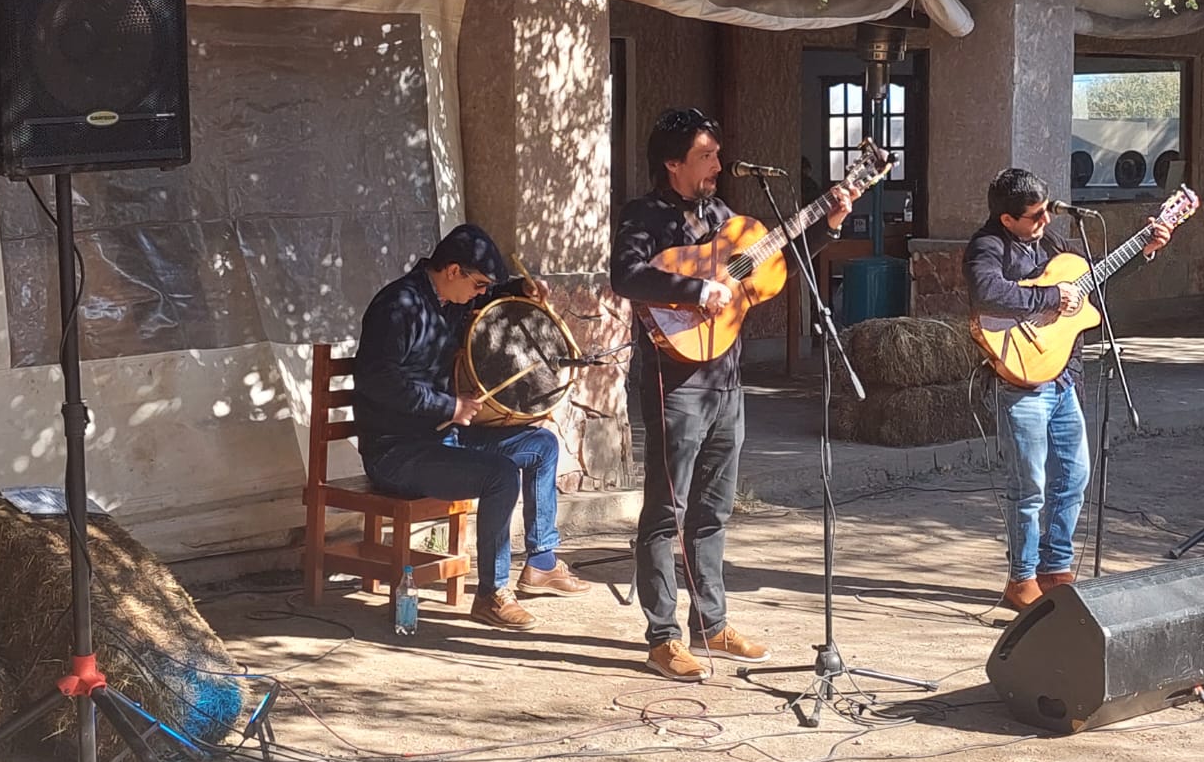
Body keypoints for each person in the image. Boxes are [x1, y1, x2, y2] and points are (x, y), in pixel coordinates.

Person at [610, 108, 856, 681]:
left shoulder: (723, 215)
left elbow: (774, 263)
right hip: (675, 381)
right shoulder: (644, 217)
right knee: (666, 510)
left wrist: (829, 224)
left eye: (718, 154)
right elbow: (625, 277)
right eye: (705, 156)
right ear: (672, 163)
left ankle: (711, 624)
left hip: (727, 378)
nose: (717, 165)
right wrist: (698, 288)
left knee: (714, 507)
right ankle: (663, 637)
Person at [354, 223, 590, 631]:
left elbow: (493, 296)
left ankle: (541, 563)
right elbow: (377, 380)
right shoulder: (399, 307)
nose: (481, 293)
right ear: (452, 271)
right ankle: (491, 595)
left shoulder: (450, 300)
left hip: (440, 439)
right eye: (477, 283)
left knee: (542, 445)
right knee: (498, 476)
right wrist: (448, 404)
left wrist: (520, 289)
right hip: (395, 453)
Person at [963, 168, 1174, 611]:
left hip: (1065, 378)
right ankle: (1020, 579)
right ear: (1007, 219)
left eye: (1046, 209)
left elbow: (1094, 278)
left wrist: (1145, 249)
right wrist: (1050, 298)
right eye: (1034, 215)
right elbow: (986, 292)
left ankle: (1054, 569)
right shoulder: (988, 246)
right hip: (1021, 380)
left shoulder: (1054, 242)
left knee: (1074, 478)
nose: (1044, 219)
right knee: (1029, 486)